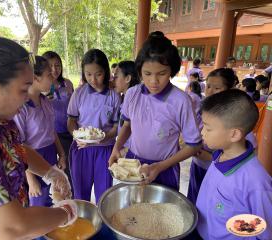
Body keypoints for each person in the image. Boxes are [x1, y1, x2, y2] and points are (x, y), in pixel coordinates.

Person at [0, 31, 77, 239]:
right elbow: (11, 228)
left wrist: (50, 173)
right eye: (24, 89)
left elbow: (16, 148)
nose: (28, 97)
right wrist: (66, 213)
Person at [109, 32, 202, 190]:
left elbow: (194, 145)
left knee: (161, 212)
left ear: (172, 71)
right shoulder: (133, 94)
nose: (154, 81)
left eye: (162, 74)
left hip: (165, 168)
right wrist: (116, 148)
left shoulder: (180, 101)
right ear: (139, 72)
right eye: (147, 74)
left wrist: (159, 167)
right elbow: (127, 125)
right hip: (134, 165)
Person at [196, 89, 272, 239]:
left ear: (234, 134)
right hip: (201, 232)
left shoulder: (256, 182)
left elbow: (265, 232)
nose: (202, 132)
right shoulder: (220, 155)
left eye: (208, 128)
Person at [187, 68, 257, 204]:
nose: (209, 91)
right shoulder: (207, 110)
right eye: (208, 86)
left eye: (217, 88)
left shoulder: (239, 121)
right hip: (200, 165)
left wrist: (207, 156)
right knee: (197, 201)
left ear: (230, 89)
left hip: (219, 170)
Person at [67, 49, 121, 202]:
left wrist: (103, 137)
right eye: (88, 74)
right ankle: (83, 223)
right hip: (81, 149)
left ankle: (101, 226)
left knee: (104, 195)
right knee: (80, 194)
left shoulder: (114, 96)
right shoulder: (79, 94)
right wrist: (76, 136)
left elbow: (117, 127)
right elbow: (71, 121)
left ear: (105, 71)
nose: (93, 79)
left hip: (105, 151)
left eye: (98, 74)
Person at [13, 56, 67, 209]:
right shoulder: (22, 108)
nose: (53, 77)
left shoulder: (45, 101)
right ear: (35, 78)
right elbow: (20, 147)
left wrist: (62, 154)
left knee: (56, 198)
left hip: (50, 154)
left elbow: (52, 131)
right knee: (38, 205)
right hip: (32, 160)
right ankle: (40, 234)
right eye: (49, 74)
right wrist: (31, 180)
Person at [42, 51, 74, 182]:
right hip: (49, 134)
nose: (54, 69)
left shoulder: (67, 83)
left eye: (57, 65)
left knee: (67, 165)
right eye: (50, 66)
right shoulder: (42, 87)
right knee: (49, 170)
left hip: (66, 133)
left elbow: (74, 108)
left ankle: (68, 196)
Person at [114, 60, 140, 155]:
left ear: (128, 78)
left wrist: (124, 150)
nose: (113, 80)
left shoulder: (136, 101)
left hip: (131, 152)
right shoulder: (125, 99)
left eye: (116, 77)